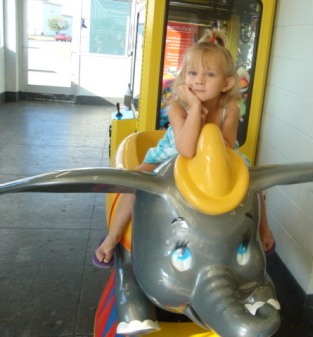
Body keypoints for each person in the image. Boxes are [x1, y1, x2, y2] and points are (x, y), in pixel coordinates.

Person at [94, 30, 275, 267]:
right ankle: (114, 235)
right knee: (134, 180)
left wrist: (206, 126)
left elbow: (228, 145)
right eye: (192, 73)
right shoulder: (177, 108)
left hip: (218, 156)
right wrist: (194, 109)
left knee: (255, 184)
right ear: (184, 78)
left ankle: (264, 231)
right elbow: (186, 149)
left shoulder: (230, 108)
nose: (199, 80)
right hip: (173, 152)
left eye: (209, 74)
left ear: (226, 83)